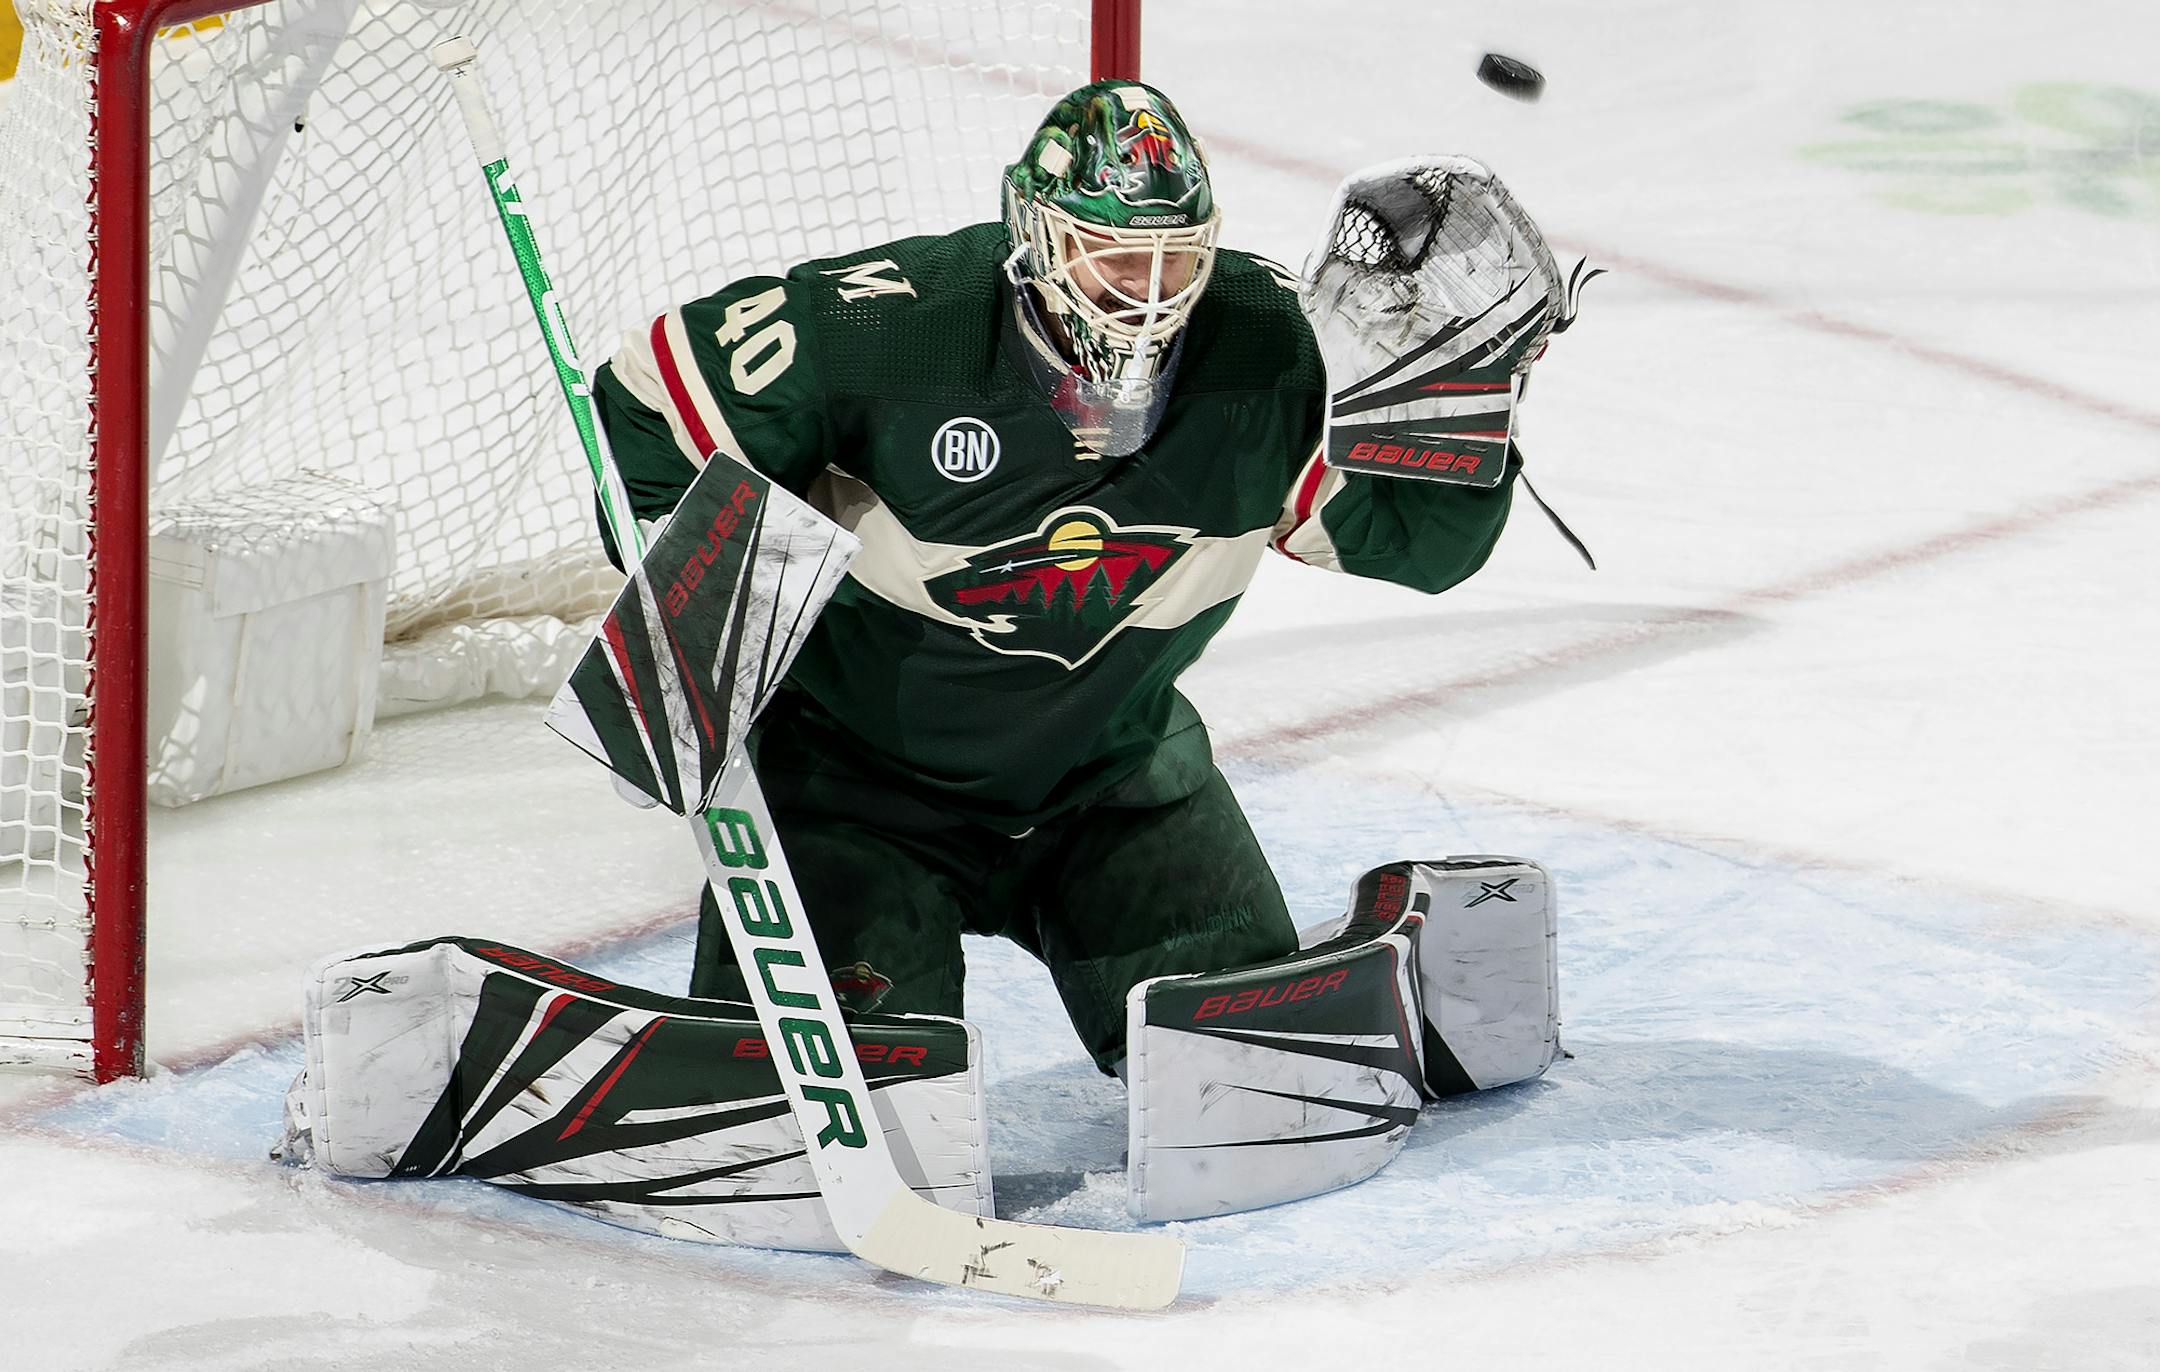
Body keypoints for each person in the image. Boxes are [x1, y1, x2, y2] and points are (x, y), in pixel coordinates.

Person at [589, 80, 1518, 1077]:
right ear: (1034, 235)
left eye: (1176, 258)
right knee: (848, 1084)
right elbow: (643, 398)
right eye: (1114, 254)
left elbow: (1420, 548)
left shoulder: (1267, 344)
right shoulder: (891, 327)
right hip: (851, 794)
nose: (1148, 290)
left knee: (1258, 1067)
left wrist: (1460, 396)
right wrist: (710, 590)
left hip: (1112, 784)